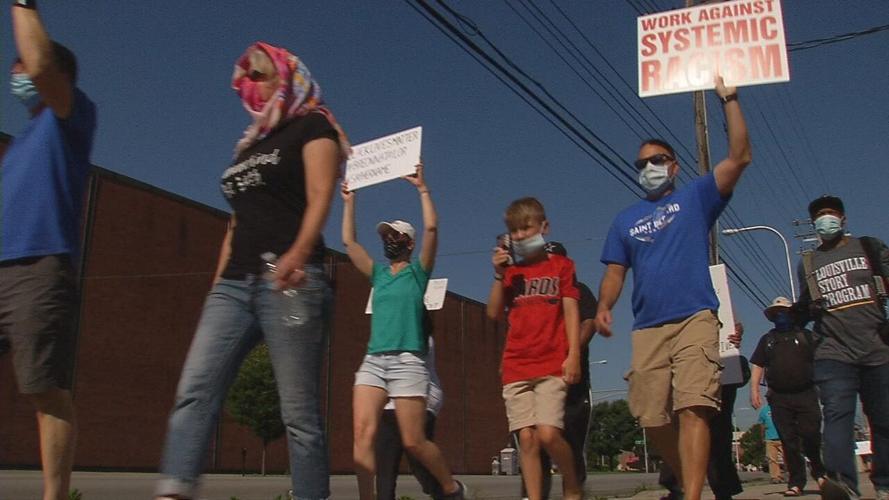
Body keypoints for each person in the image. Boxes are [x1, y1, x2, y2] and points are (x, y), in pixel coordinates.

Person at [155, 42, 348, 500]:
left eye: (260, 74)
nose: (250, 84)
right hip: (233, 284)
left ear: (286, 74)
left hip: (292, 281)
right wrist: (216, 286)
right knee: (195, 389)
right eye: (246, 78)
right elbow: (236, 222)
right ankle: (175, 489)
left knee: (298, 413)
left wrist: (299, 253)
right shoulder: (249, 145)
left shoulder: (312, 124)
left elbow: (322, 194)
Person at [596, 76, 751, 500]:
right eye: (641, 163)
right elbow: (614, 272)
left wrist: (730, 99)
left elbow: (740, 156)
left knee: (694, 406)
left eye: (657, 159)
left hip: (696, 317)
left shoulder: (696, 197)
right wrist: (605, 305)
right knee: (650, 416)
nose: (649, 168)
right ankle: (686, 478)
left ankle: (694, 494)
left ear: (675, 165)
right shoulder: (624, 220)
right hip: (648, 327)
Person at [1, 3, 97, 499]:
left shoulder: (71, 114)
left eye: (19, 62)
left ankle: (54, 496)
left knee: (44, 387)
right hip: (0, 266)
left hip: (41, 266)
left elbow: (38, 65)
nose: (14, 71)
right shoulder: (19, 144)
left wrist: (22, 5)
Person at [342, 166, 466, 500]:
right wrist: (349, 201)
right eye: (385, 236)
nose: (389, 241)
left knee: (414, 441)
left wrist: (422, 188)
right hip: (373, 361)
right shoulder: (378, 275)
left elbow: (432, 226)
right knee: (361, 433)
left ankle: (451, 488)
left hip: (409, 361)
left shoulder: (418, 273)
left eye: (395, 236)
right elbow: (349, 242)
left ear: (409, 243)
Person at [487, 198, 584, 500]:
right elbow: (493, 312)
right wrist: (499, 275)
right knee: (526, 440)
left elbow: (570, 310)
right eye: (513, 231)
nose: (519, 235)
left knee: (548, 433)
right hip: (516, 365)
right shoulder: (512, 274)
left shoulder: (562, 266)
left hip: (552, 363)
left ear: (544, 227)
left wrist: (574, 355)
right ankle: (534, 495)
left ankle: (571, 483)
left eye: (525, 228)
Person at [796, 195, 889, 500]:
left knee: (883, 417)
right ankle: (842, 483)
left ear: (844, 219)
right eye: (820, 215)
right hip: (832, 352)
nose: (826, 219)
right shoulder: (808, 262)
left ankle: (884, 481)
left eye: (831, 213)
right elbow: (805, 305)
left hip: (877, 348)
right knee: (837, 414)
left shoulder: (869, 248)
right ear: (814, 224)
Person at [513, 241, 598, 500]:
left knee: (569, 445)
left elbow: (588, 323)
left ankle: (573, 493)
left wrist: (569, 352)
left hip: (571, 385)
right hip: (536, 379)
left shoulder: (579, 290)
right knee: (533, 442)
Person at [659, 322, 747, 500]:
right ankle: (677, 487)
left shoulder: (716, 298)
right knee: (683, 426)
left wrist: (734, 332)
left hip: (720, 364)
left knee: (719, 433)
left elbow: (730, 320)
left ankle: (723, 490)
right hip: (687, 361)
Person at [750, 297, 826, 497]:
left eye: (784, 311)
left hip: (807, 393)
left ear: (792, 313)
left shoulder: (806, 336)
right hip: (779, 397)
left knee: (811, 434)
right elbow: (758, 364)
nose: (780, 316)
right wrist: (754, 390)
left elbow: (822, 360)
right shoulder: (767, 340)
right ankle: (796, 483)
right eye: (776, 313)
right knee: (789, 441)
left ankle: (820, 473)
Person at [375, 338, 445, 500]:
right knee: (385, 468)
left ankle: (449, 491)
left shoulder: (419, 334)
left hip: (420, 398)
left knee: (419, 464)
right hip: (390, 404)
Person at [757, 403, 785, 485]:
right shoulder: (764, 410)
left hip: (782, 437)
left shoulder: (781, 407)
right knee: (772, 459)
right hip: (769, 438)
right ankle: (775, 477)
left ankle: (791, 475)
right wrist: (762, 436)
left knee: (788, 457)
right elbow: (762, 424)